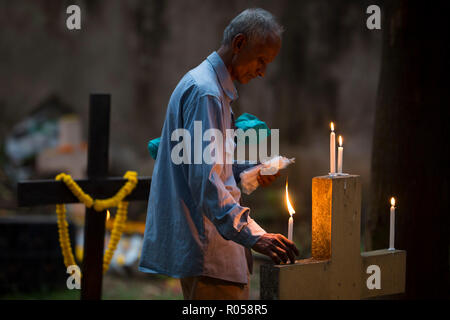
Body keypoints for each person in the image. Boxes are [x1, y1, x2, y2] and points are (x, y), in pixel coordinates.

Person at [138, 8, 299, 300]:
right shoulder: (206, 93)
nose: (262, 72)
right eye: (261, 60)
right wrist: (255, 236)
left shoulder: (208, 87)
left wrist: (246, 171)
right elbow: (206, 181)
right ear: (239, 44)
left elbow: (205, 163)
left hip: (213, 253)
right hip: (210, 254)